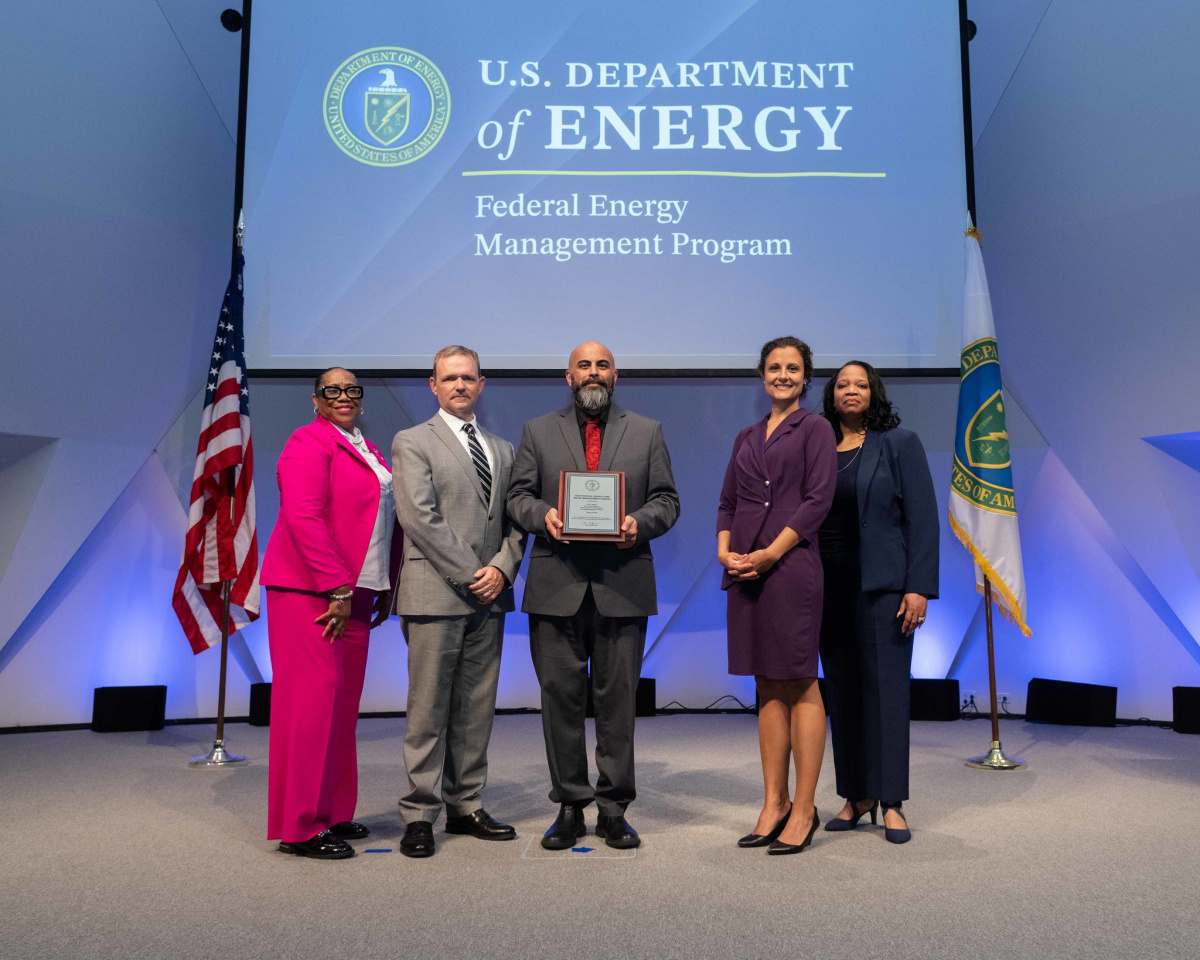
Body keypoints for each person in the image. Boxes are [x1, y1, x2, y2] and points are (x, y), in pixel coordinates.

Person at [507, 341, 680, 850]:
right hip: (554, 584)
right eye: (584, 365)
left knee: (617, 702)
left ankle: (613, 807)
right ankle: (569, 803)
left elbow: (667, 501)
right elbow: (517, 497)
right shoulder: (538, 431)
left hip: (621, 583)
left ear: (615, 375)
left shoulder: (647, 431)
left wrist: (638, 523)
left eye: (602, 365)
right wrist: (545, 517)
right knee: (559, 699)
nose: (593, 373)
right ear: (568, 376)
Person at [390, 345, 527, 859]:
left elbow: (516, 521)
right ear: (433, 385)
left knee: (475, 709)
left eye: (468, 378)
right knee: (427, 711)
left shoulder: (503, 448)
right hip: (436, 594)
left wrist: (503, 568)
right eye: (449, 378)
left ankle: (466, 805)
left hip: (489, 597)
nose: (459, 386)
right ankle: (420, 813)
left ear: (482, 383)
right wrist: (474, 574)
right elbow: (419, 519)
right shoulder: (412, 440)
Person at [261, 367, 401, 859]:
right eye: (332, 390)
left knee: (340, 710)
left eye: (352, 390)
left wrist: (384, 584)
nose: (344, 396)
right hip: (312, 593)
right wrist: (336, 587)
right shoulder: (307, 442)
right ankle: (300, 826)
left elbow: (381, 521)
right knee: (310, 709)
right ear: (316, 399)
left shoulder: (367, 447)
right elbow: (304, 516)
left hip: (357, 592)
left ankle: (334, 812)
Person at [717, 336, 836, 855]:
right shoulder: (745, 434)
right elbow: (726, 502)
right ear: (761, 375)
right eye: (774, 367)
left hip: (789, 568)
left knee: (800, 682)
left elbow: (816, 502)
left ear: (806, 377)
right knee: (766, 684)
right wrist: (726, 552)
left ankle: (805, 807)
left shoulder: (815, 428)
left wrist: (769, 553)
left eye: (792, 368)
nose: (782, 375)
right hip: (745, 571)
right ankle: (774, 801)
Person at [818, 360, 939, 844]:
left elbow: (923, 520)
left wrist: (918, 587)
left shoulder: (899, 443)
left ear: (875, 392)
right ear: (831, 395)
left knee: (887, 693)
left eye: (860, 384)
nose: (851, 391)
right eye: (843, 384)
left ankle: (892, 801)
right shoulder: (818, 446)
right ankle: (856, 795)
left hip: (885, 587)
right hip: (826, 587)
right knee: (842, 693)